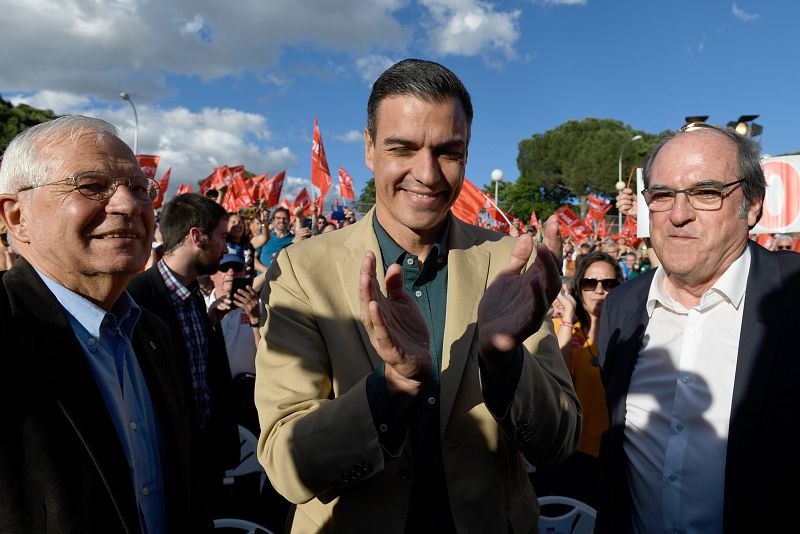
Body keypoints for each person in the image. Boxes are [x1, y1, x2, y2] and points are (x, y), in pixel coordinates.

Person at [255, 58, 580, 533]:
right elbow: (287, 465)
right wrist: (391, 391)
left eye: (449, 151)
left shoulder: (513, 265)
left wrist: (505, 363)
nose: (427, 173)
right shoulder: (302, 272)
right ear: (369, 149)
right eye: (403, 148)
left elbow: (558, 441)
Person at [0, 116, 202, 532]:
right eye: (90, 186)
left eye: (140, 189)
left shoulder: (153, 334)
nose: (128, 205)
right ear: (18, 217)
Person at [597, 122, 800, 533]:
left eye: (706, 193)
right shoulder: (619, 307)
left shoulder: (794, 297)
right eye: (662, 195)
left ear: (754, 205)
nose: (678, 214)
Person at [127, 192, 239, 522]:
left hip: (203, 463)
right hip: (162, 469)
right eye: (221, 236)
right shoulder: (137, 297)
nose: (227, 247)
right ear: (196, 237)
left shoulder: (193, 295)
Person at [533, 251, 623, 508]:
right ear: (578, 287)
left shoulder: (629, 330)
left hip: (615, 452)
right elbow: (556, 377)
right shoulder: (565, 327)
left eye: (608, 284)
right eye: (589, 283)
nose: (599, 290)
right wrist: (568, 316)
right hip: (570, 452)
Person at [205, 244, 261, 432]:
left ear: (244, 273)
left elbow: (269, 358)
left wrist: (255, 320)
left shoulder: (258, 307)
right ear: (212, 274)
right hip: (211, 399)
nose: (230, 273)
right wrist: (209, 320)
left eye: (236, 268)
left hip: (248, 399)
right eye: (223, 268)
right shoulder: (199, 305)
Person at [254, 207, 295, 273]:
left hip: (283, 281)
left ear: (289, 220)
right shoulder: (264, 237)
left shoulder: (294, 239)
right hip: (263, 281)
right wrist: (267, 271)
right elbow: (253, 259)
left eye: (285, 218)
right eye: (278, 218)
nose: (282, 220)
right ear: (273, 220)